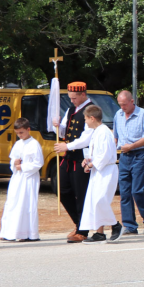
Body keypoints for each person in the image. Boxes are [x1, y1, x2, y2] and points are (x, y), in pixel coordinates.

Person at [53, 81, 94, 243]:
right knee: (61, 189)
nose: (72, 101)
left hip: (81, 157)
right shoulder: (71, 109)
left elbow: (86, 138)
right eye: (70, 98)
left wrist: (67, 146)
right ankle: (79, 223)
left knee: (81, 194)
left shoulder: (90, 110)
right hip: (69, 157)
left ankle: (83, 230)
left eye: (74, 98)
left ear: (83, 94)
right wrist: (58, 125)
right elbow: (65, 129)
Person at [113, 89, 144, 236]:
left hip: (139, 155)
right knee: (124, 192)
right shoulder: (118, 115)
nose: (122, 107)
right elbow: (115, 138)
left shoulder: (143, 114)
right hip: (124, 157)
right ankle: (130, 225)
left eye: (124, 104)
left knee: (137, 190)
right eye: (120, 104)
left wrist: (131, 146)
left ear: (132, 102)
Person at [78, 104, 122, 243]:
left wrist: (92, 164)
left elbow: (105, 154)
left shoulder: (104, 132)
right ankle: (99, 232)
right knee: (94, 201)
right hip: (98, 171)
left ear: (92, 118)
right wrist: (88, 160)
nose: (85, 121)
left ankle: (116, 226)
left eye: (85, 118)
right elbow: (96, 153)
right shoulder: (96, 132)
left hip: (107, 170)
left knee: (100, 200)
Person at [0, 118, 43, 243]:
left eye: (22, 133)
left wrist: (22, 166)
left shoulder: (34, 144)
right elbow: (13, 159)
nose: (20, 135)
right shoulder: (18, 144)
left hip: (28, 178)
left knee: (25, 203)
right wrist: (15, 163)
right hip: (17, 177)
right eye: (18, 133)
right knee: (12, 202)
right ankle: (8, 231)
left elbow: (38, 163)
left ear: (28, 129)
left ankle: (26, 232)